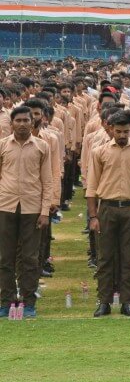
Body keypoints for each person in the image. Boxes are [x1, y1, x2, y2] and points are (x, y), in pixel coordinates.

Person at [84, 109, 130, 317]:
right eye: (119, 131)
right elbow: (92, 187)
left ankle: (126, 302)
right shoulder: (100, 152)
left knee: (129, 258)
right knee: (105, 257)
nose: (122, 135)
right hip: (107, 209)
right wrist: (93, 216)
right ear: (111, 129)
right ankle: (103, 301)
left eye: (126, 131)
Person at [0, 106, 56, 318]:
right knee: (5, 258)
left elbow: (47, 180)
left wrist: (44, 211)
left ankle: (29, 301)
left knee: (30, 258)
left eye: (26, 120)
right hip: (5, 206)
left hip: (33, 209)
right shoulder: (3, 146)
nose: (22, 124)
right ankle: (6, 302)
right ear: (11, 123)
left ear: (33, 123)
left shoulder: (42, 146)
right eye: (19, 120)